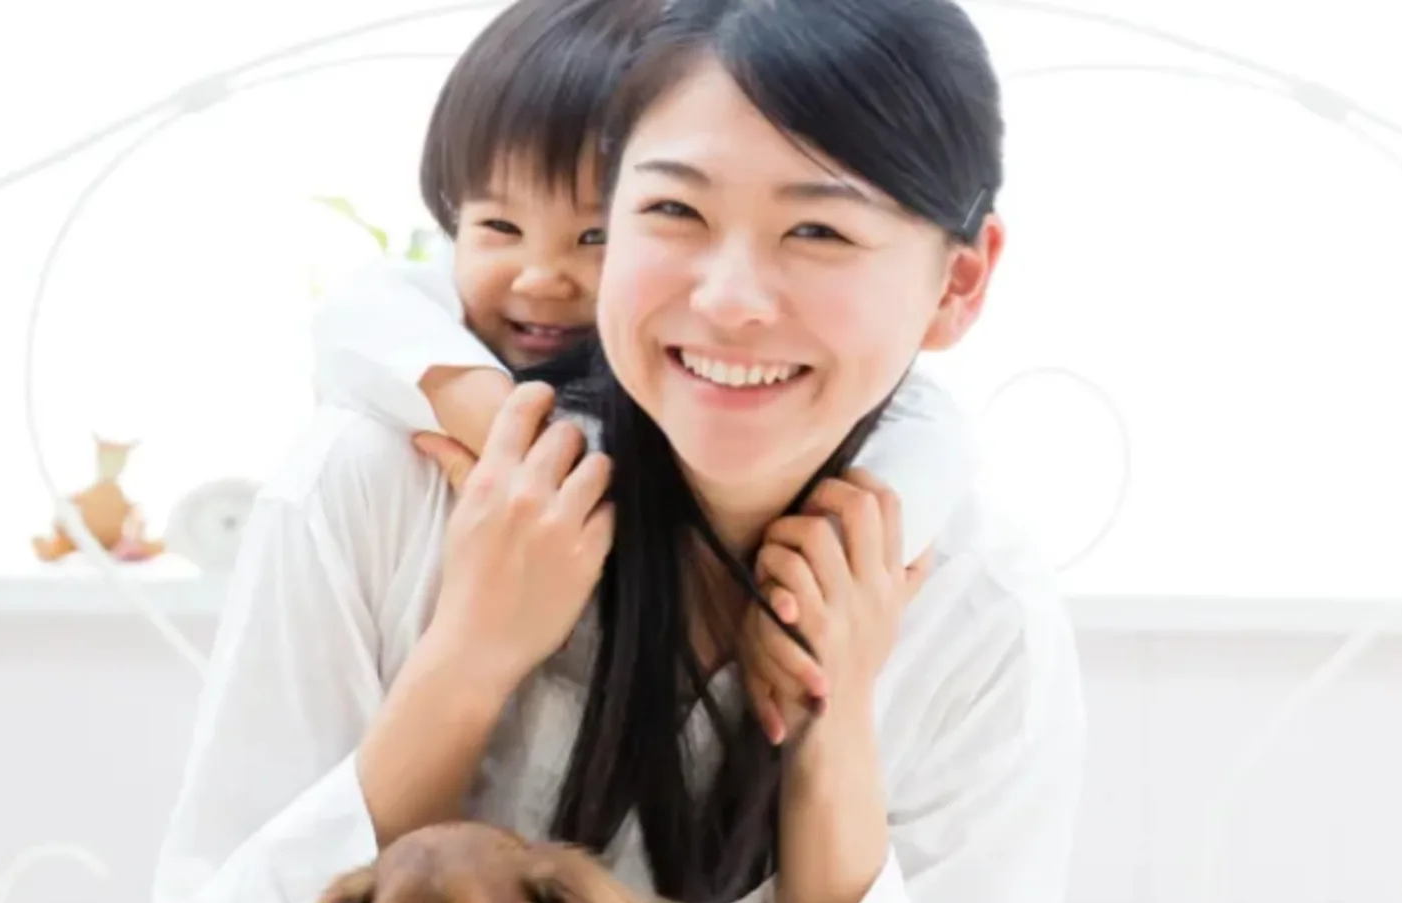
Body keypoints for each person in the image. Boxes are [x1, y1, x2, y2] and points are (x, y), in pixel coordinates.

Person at [143, 0, 1086, 903]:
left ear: (959, 282)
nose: (732, 297)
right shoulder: (388, 485)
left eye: (820, 233)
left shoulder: (971, 604)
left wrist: (826, 747)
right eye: (672, 211)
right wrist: (465, 663)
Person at [302, 0, 980, 666]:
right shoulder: (383, 457)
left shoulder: (958, 569)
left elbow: (927, 427)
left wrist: (843, 567)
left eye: (594, 236)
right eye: (498, 228)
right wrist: (497, 417)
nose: (540, 277)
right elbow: (365, 314)